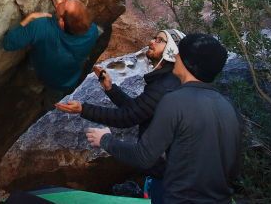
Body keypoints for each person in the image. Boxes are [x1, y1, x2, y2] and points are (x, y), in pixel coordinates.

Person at [85, 34, 242, 204]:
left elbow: (143, 157)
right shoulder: (228, 106)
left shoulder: (174, 100)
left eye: (179, 54)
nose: (175, 56)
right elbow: (233, 170)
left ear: (189, 62)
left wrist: (105, 139)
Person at [55, 29, 185, 202]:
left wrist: (83, 109)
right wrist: (110, 88)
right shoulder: (165, 82)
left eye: (160, 40)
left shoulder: (164, 85)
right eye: (154, 37)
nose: (152, 41)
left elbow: (127, 117)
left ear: (171, 50)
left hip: (168, 180)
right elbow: (139, 111)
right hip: (166, 175)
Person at [2, 0, 100, 109]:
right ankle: (48, 112)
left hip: (42, 70)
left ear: (62, 22)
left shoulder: (41, 26)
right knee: (54, 102)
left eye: (65, 2)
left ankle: (34, 103)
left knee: (33, 83)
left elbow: (8, 43)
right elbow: (73, 20)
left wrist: (29, 18)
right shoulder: (93, 30)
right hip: (67, 80)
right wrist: (61, 8)